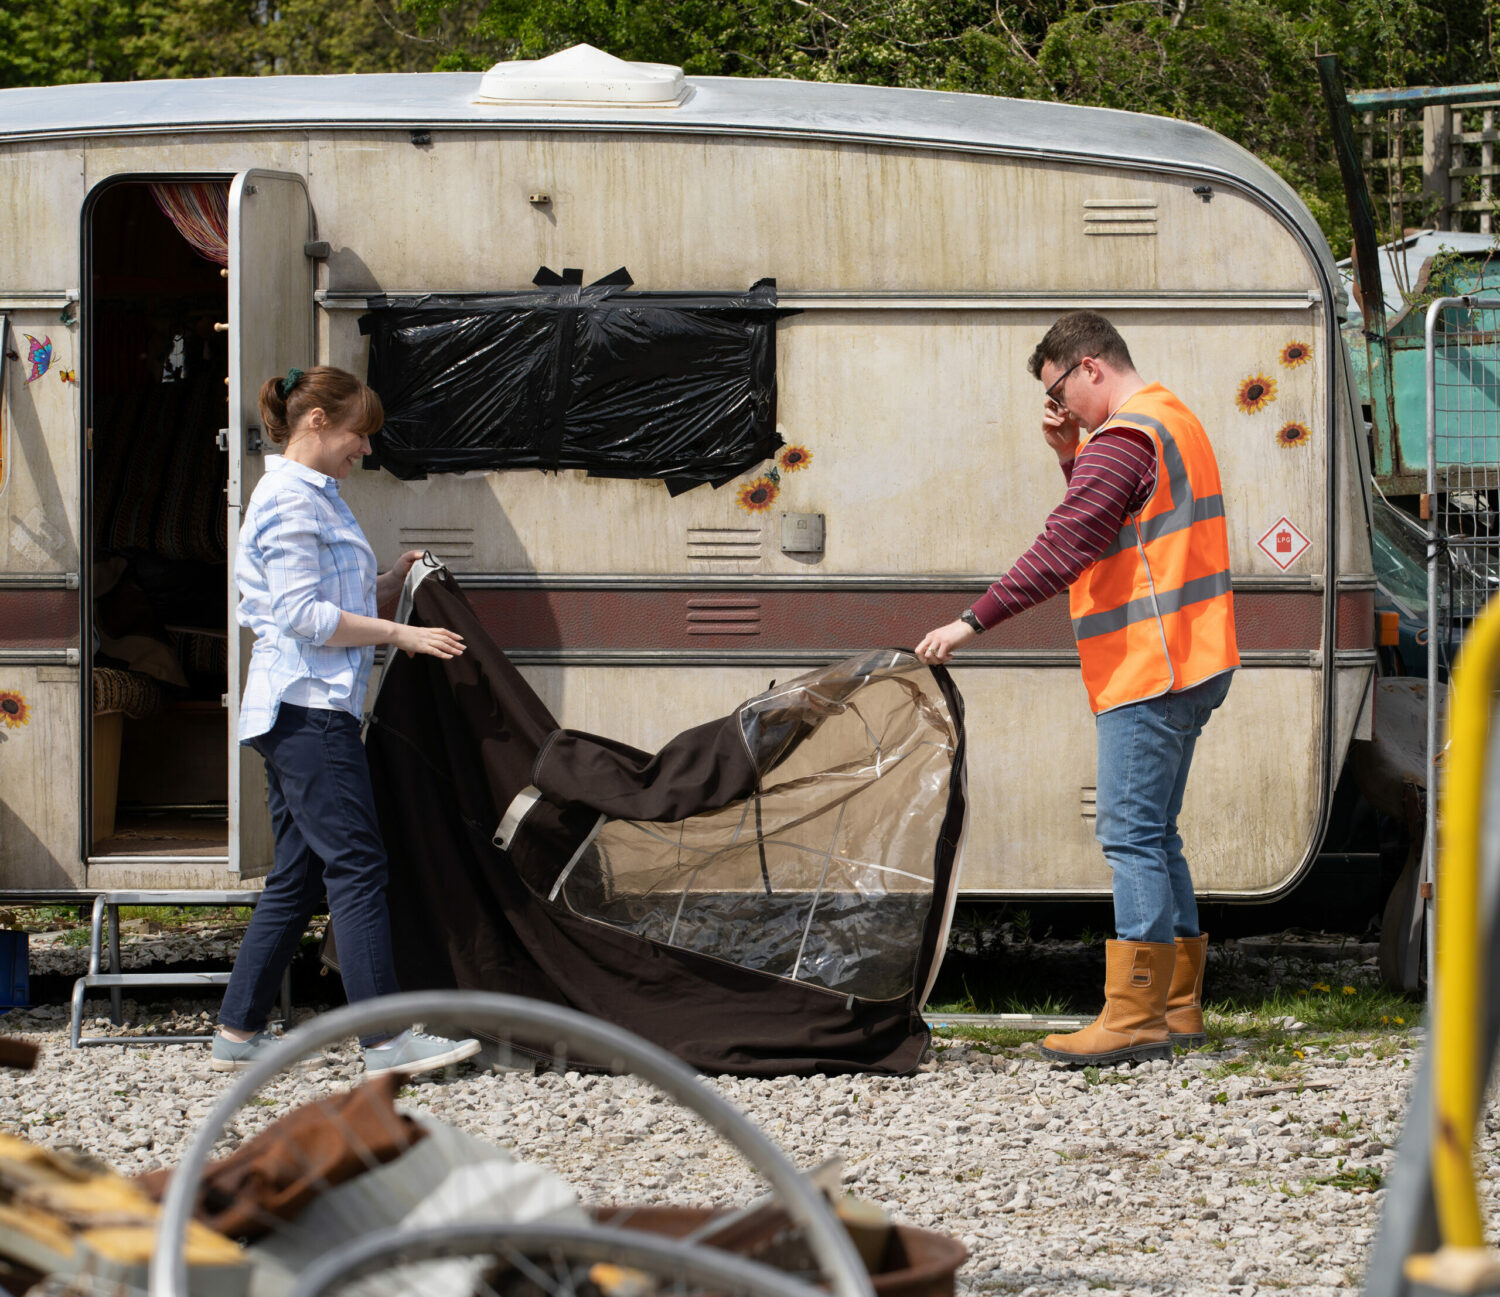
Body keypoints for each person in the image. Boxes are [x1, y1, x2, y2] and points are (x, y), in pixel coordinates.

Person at [914, 312, 1238, 1066]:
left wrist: (970, 621)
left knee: (1129, 833)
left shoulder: (1124, 436)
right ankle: (1178, 1006)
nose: (1060, 407)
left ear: (1089, 366)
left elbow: (1067, 544)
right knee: (1158, 833)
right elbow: (1116, 527)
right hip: (1195, 656)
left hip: (1147, 665)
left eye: (1059, 389)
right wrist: (1070, 456)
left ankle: (1132, 1017)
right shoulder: (1170, 418)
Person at [212, 365, 481, 1078]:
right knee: (358, 865)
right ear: (318, 422)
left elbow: (329, 597)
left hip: (301, 706)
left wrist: (393, 579)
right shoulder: (291, 503)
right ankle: (386, 1044)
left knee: (299, 876)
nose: (365, 450)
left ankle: (237, 1031)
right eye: (359, 435)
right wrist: (400, 636)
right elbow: (303, 616)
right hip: (309, 711)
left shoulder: (315, 497)